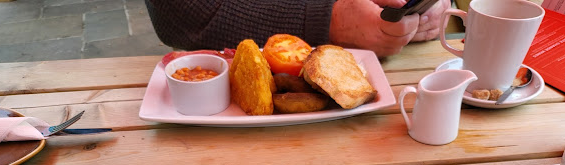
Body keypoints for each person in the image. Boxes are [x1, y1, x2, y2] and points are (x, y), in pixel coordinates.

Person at [145, 0, 452, 58]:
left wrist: (428, 6)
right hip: (221, 119)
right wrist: (332, 20)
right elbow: (179, 14)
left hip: (403, 72)